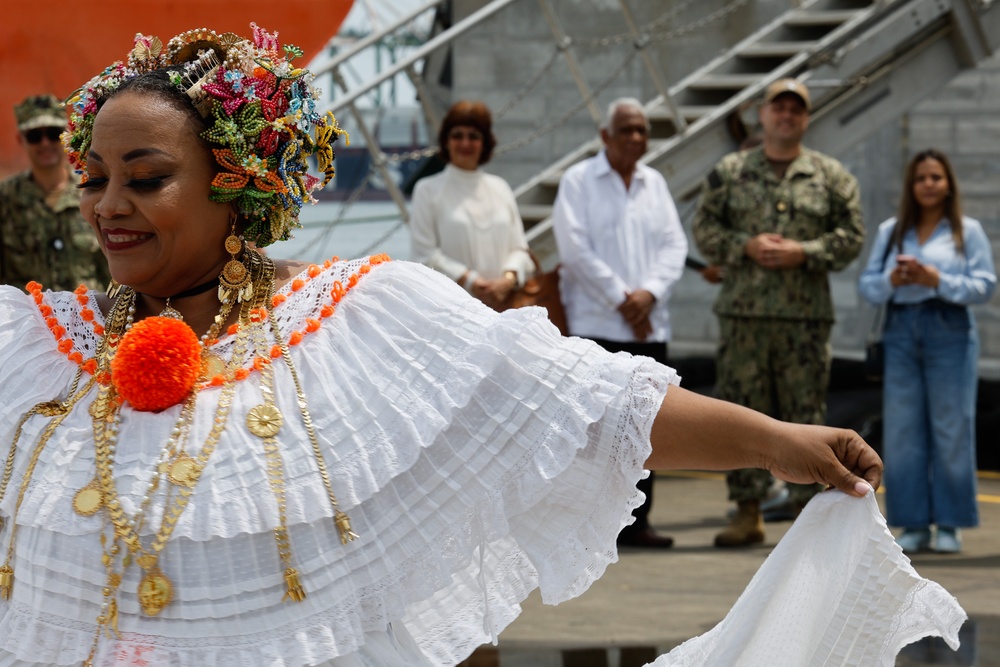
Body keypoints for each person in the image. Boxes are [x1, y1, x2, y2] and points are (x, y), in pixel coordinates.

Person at [4, 26, 962, 667]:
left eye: (146, 176)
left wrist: (772, 439)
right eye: (92, 178)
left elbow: (576, 407)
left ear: (237, 185)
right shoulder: (37, 350)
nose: (107, 206)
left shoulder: (360, 320)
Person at [693, 78, 865, 547]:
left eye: (796, 109)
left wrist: (804, 252)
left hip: (803, 321)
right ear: (763, 115)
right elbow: (704, 228)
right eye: (778, 107)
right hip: (744, 318)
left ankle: (807, 512)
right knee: (740, 412)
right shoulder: (729, 171)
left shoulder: (829, 176)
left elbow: (851, 236)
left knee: (805, 414)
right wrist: (743, 245)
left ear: (805, 118)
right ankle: (747, 510)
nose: (786, 116)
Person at [551, 98, 688, 549]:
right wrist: (623, 300)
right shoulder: (578, 181)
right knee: (594, 431)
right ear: (605, 136)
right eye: (626, 130)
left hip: (650, 324)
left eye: (642, 131)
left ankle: (638, 522)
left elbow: (674, 247)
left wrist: (647, 294)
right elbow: (575, 251)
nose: (635, 138)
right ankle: (590, 529)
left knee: (649, 429)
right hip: (598, 324)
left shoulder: (655, 183)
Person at [858, 149, 996, 554]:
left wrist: (938, 279)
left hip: (949, 328)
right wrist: (894, 279)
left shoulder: (966, 231)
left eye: (936, 177)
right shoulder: (892, 230)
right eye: (921, 178)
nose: (929, 184)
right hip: (902, 329)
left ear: (949, 183)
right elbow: (867, 286)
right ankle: (914, 522)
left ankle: (951, 523)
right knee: (903, 432)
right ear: (911, 186)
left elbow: (985, 285)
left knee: (952, 428)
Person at [409, 101, 533, 311]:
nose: (465, 143)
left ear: (485, 143)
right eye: (457, 135)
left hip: (507, 309)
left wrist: (508, 279)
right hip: (453, 312)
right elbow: (424, 255)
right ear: (446, 142)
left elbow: (520, 249)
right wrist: (472, 282)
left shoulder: (500, 187)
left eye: (473, 136)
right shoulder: (427, 190)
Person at [0, 94, 109, 291]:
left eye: (53, 133)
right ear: (20, 139)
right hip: (29, 317)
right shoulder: (5, 199)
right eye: (34, 136)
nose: (44, 143)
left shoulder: (93, 191)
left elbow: (113, 270)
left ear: (66, 133)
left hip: (88, 314)